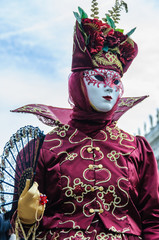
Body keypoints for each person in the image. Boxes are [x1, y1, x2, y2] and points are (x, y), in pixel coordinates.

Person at [11, 2, 159, 240]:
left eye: (116, 82)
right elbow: (20, 230)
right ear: (78, 82)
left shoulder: (137, 150)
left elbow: (154, 219)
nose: (109, 89)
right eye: (99, 77)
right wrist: (26, 217)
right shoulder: (41, 150)